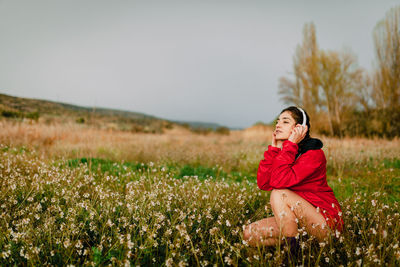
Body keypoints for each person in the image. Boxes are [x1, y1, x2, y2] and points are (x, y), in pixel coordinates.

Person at [243, 106, 343, 248]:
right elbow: (264, 183)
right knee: (249, 234)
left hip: (324, 224)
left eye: (285, 121)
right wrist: (274, 150)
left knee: (279, 194)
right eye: (277, 121)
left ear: (300, 128)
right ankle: (299, 245)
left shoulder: (314, 154)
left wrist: (289, 145)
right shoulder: (287, 152)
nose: (278, 125)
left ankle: (291, 255)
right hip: (298, 222)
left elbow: (279, 183)